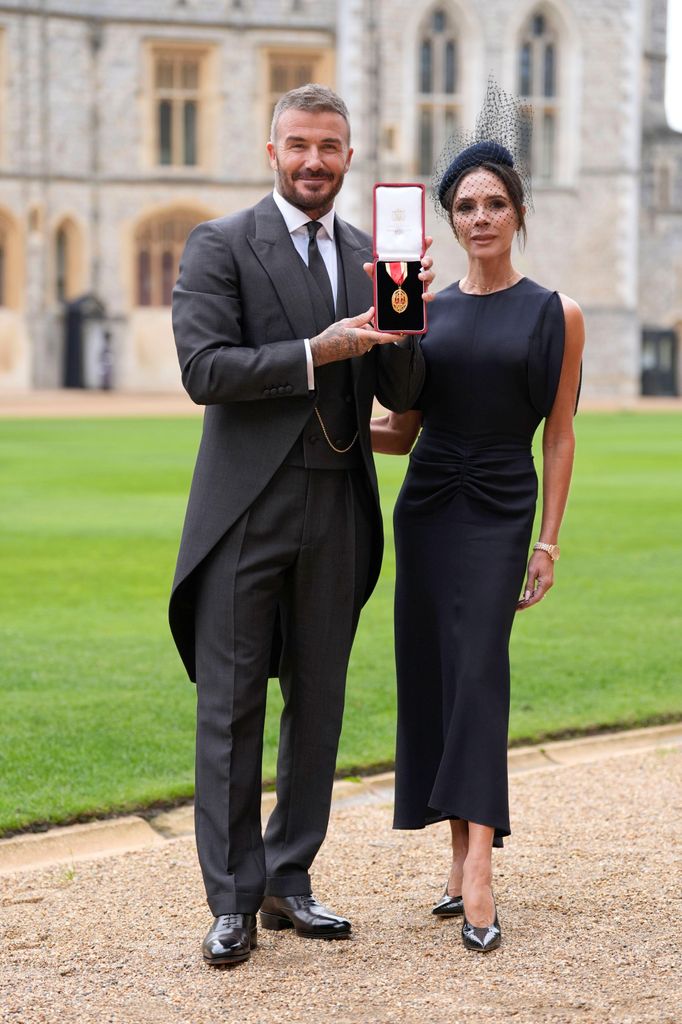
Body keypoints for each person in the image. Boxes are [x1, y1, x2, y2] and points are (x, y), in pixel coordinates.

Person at [169, 83, 434, 966]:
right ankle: (233, 899)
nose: (314, 161)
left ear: (349, 157)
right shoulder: (220, 244)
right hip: (247, 506)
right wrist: (319, 351)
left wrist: (408, 324)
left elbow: (402, 395)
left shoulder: (369, 252)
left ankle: (289, 880)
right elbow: (205, 368)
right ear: (271, 151)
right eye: (298, 145)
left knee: (317, 705)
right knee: (233, 706)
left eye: (330, 147)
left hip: (338, 505)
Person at [371, 88, 584, 953]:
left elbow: (561, 439)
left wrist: (548, 539)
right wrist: (320, 424)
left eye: (495, 202)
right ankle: (458, 863)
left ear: (519, 214)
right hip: (427, 506)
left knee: (479, 675)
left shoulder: (555, 313)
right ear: (447, 221)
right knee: (435, 675)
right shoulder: (421, 309)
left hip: (501, 509)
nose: (480, 215)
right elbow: (400, 430)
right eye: (465, 205)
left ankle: (484, 867)